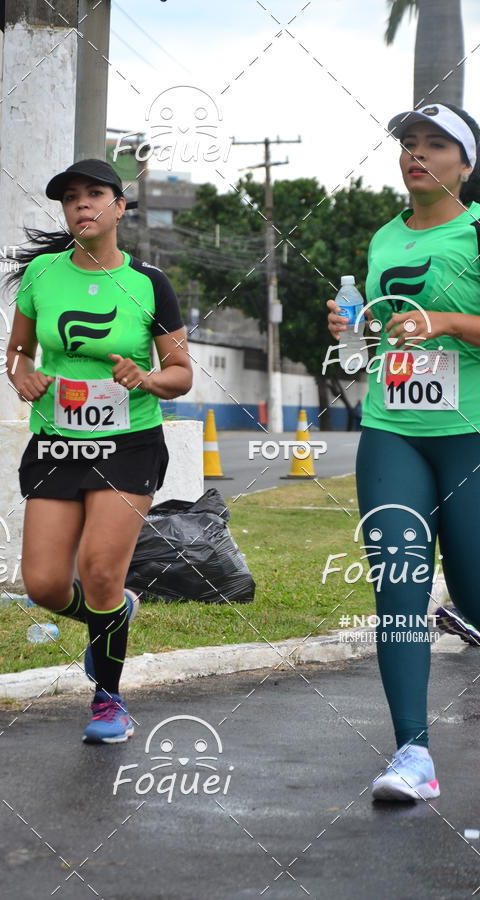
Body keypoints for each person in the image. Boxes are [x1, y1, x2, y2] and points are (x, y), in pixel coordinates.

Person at [5, 159, 192, 743]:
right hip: (57, 441)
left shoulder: (149, 283)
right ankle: (112, 617)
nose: (81, 205)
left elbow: (182, 374)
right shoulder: (41, 275)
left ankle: (108, 700)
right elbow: (16, 352)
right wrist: (22, 377)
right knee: (43, 585)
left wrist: (146, 378)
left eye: (94, 195)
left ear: (119, 207)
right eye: (70, 199)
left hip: (127, 443)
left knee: (101, 572)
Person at [327, 103, 480, 801]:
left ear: (466, 164)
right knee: (398, 589)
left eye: (435, 144)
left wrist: (447, 320)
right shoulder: (384, 238)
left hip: (470, 435)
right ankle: (411, 757)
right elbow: (368, 352)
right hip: (393, 430)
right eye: (408, 143)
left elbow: (447, 325)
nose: (416, 154)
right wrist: (351, 329)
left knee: (475, 598)